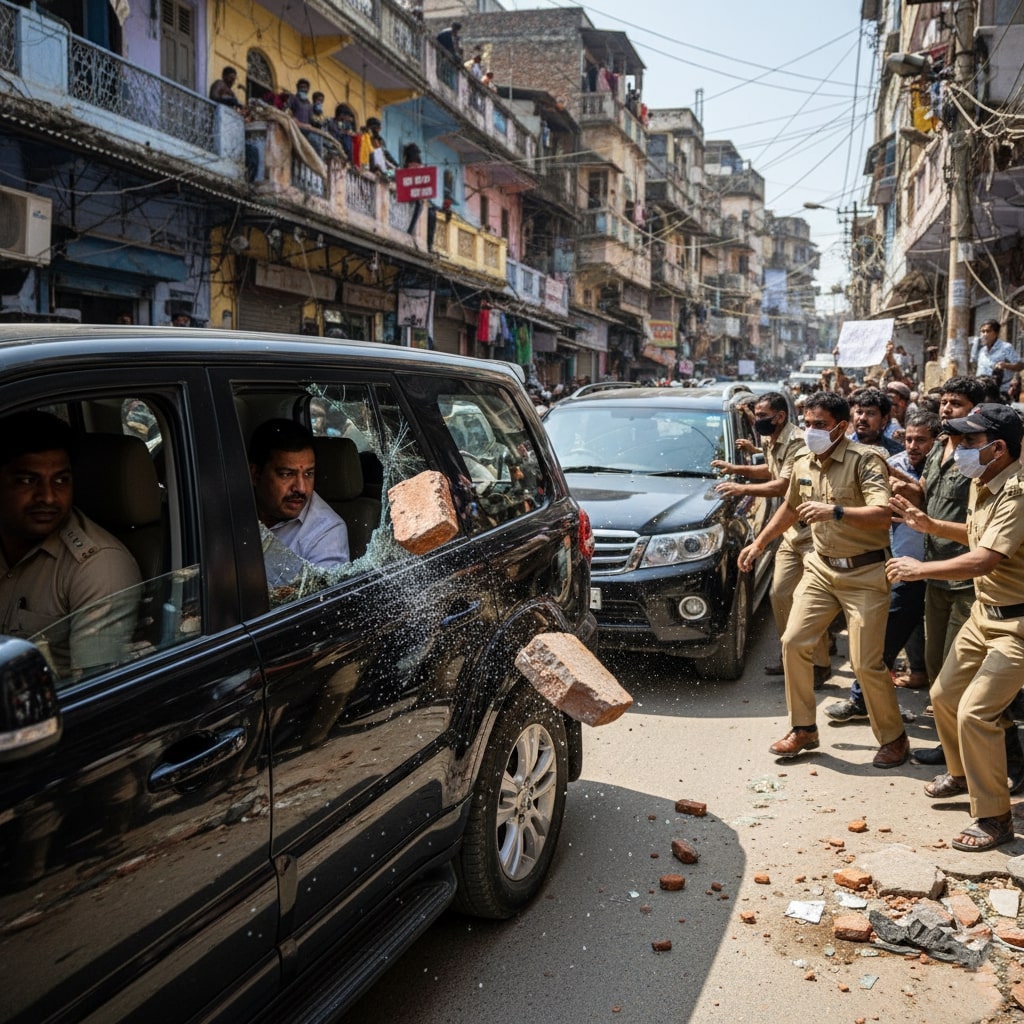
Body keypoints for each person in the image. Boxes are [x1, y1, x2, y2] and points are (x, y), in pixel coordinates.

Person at [737, 390, 908, 767]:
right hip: (821, 568)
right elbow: (790, 507)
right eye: (809, 424)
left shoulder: (867, 460)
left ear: (842, 427)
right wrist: (760, 543)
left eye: (821, 426)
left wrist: (836, 511)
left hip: (865, 573)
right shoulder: (802, 460)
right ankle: (803, 728)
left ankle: (893, 737)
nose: (812, 432)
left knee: (866, 664)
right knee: (794, 642)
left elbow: (883, 514)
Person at [886, 404, 1024, 851]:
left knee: (976, 712)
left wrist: (921, 569)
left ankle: (995, 817)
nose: (958, 449)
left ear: (997, 447)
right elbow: (977, 532)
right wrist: (929, 524)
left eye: (968, 442)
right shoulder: (984, 481)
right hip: (986, 612)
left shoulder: (1019, 492)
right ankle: (965, 774)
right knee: (944, 697)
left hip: (1017, 625)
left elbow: (987, 558)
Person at [0, 410, 142, 678]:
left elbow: (96, 694)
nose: (48, 497)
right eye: (28, 481)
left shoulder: (99, 565)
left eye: (61, 480)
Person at [825, 410, 940, 722]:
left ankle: (936, 705)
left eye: (922, 440)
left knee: (925, 641)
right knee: (884, 637)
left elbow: (923, 495)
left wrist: (893, 475)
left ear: (936, 441)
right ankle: (862, 699)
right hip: (896, 566)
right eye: (910, 438)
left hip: (934, 569)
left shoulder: (940, 468)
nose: (914, 445)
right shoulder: (896, 463)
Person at [711, 392, 831, 687]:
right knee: (780, 594)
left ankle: (819, 662)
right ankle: (791, 653)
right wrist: (737, 469)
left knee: (810, 600)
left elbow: (783, 485)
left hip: (812, 530)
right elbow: (771, 469)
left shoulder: (799, 442)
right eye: (756, 415)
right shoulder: (771, 438)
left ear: (779, 417)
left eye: (763, 415)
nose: (758, 420)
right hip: (789, 531)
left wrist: (743, 489)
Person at [248, 418, 349, 569]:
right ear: (256, 475)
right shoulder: (229, 506)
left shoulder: (326, 531)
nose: (301, 488)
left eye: (308, 474)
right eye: (287, 474)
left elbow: (323, 591)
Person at [848, 387, 905, 456]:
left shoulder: (896, 452)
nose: (862, 418)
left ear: (884, 419)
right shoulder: (841, 447)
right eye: (859, 412)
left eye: (870, 413)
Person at [974, 320, 1022, 398]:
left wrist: (1006, 365)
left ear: (996, 333)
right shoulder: (982, 350)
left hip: (1000, 392)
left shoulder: (1006, 348)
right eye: (982, 331)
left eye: (988, 331)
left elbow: (1020, 365)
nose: (984, 334)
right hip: (982, 391)